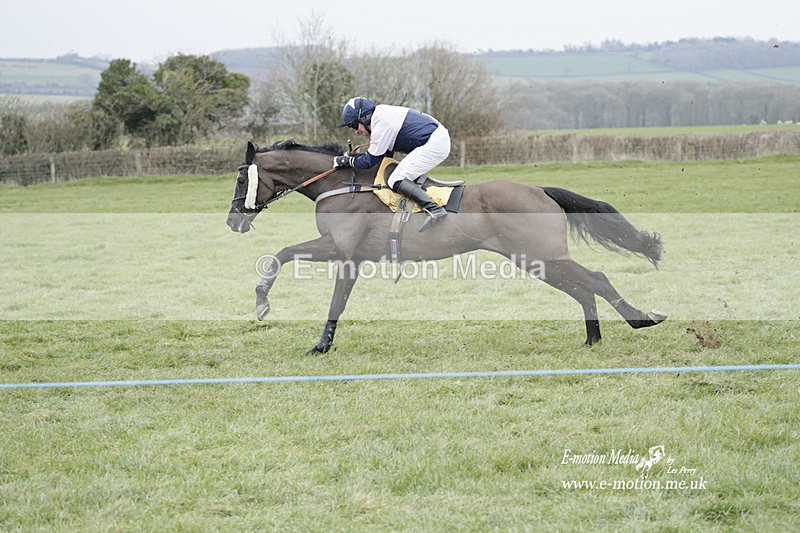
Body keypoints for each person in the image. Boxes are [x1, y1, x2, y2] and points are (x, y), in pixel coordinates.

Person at [333, 97, 451, 231]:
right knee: (396, 176)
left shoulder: (381, 125)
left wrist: (345, 161)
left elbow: (369, 161)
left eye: (354, 125)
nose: (356, 131)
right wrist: (354, 158)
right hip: (435, 138)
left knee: (396, 179)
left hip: (435, 143)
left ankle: (434, 209)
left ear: (364, 118)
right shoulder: (380, 116)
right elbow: (379, 156)